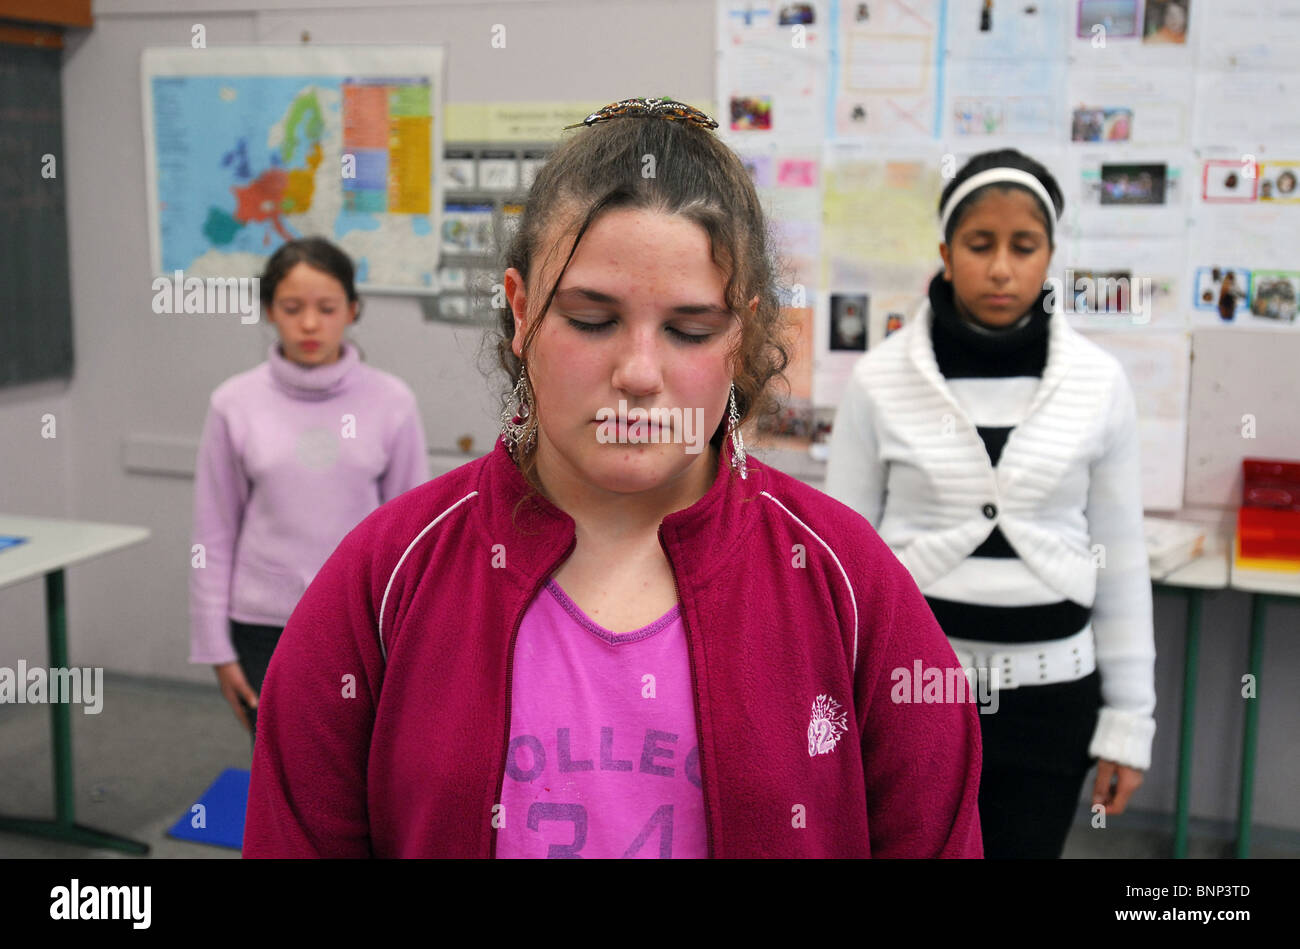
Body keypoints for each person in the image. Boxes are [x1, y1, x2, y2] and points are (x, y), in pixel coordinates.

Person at [242, 97, 983, 859]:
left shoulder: (849, 582)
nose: (637, 373)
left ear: (742, 333)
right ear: (522, 310)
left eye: (690, 330)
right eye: (592, 320)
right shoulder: (384, 576)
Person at [826, 149, 1157, 859]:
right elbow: (840, 566)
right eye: (980, 245)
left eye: (1023, 246)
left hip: (1053, 702)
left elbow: (1121, 562)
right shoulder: (880, 381)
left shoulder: (1099, 383)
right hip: (913, 695)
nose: (1001, 267)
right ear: (946, 253)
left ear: (1050, 255)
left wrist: (1130, 721)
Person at [188, 237, 429, 751]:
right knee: (283, 767)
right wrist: (216, 648)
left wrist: (412, 635)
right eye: (292, 308)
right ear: (269, 311)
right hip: (262, 624)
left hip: (360, 622)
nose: (311, 325)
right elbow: (213, 532)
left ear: (353, 310)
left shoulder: (392, 401)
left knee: (360, 767)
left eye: (327, 308)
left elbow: (414, 539)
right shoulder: (234, 402)